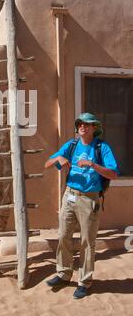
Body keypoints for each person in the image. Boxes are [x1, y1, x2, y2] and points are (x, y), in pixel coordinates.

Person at [44, 113, 119, 299]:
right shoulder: (71, 145)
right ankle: (63, 273)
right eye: (79, 124)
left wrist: (93, 164)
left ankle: (84, 281)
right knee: (63, 236)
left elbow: (113, 174)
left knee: (87, 241)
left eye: (86, 124)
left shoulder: (102, 148)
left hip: (89, 199)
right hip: (69, 195)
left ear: (94, 128)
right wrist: (58, 160)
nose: (82, 126)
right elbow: (47, 163)